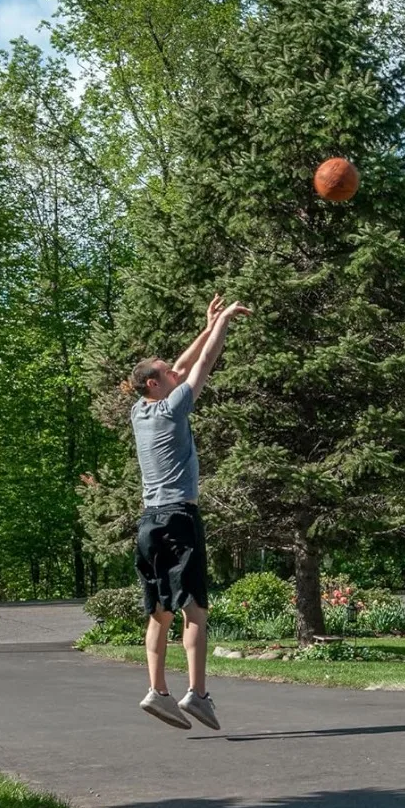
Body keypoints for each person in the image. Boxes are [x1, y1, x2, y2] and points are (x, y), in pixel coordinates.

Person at [124, 294, 251, 729]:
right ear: (156, 384)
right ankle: (197, 694)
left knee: (159, 610)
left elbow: (182, 362)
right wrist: (224, 324)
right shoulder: (174, 408)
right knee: (194, 609)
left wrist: (207, 322)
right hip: (179, 518)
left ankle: (156, 691)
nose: (174, 371)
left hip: (149, 523)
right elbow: (203, 364)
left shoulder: (140, 411)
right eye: (166, 372)